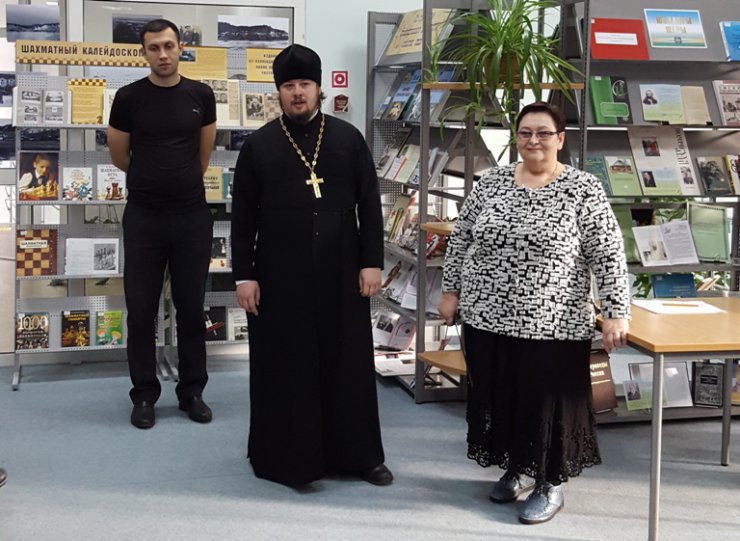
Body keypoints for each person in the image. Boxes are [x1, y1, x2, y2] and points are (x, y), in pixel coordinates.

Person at [438, 102, 631, 525]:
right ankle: (520, 467)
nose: (533, 141)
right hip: (487, 316)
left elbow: (609, 254)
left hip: (553, 323)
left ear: (560, 139)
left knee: (546, 403)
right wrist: (450, 291)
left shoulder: (583, 188)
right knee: (503, 395)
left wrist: (617, 312)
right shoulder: (492, 182)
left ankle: (550, 481)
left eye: (543, 133)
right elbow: (461, 238)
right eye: (525, 133)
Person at [231, 44, 392, 487]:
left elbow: (369, 204)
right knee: (288, 363)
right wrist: (244, 275)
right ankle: (289, 459)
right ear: (278, 92)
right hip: (280, 272)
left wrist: (371, 262)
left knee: (347, 361)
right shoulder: (259, 145)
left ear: (318, 88)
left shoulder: (347, 138)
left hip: (342, 268)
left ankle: (360, 456)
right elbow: (242, 217)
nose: (297, 93)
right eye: (288, 86)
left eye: (304, 84)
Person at [107, 19, 217, 429]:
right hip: (145, 218)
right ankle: (144, 395)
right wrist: (153, 177)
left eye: (169, 45)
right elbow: (119, 156)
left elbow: (202, 157)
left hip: (191, 217)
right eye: (154, 48)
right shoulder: (128, 97)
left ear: (181, 46)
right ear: (144, 53)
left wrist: (177, 179)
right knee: (141, 311)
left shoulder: (201, 95)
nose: (163, 54)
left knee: (191, 308)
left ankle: (192, 392)